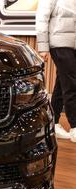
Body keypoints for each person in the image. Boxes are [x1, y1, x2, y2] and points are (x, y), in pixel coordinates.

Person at [36, 0, 76, 142]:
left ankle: (53, 123)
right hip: (59, 43)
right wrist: (43, 47)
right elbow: (42, 19)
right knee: (71, 84)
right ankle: (75, 127)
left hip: (73, 44)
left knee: (62, 83)